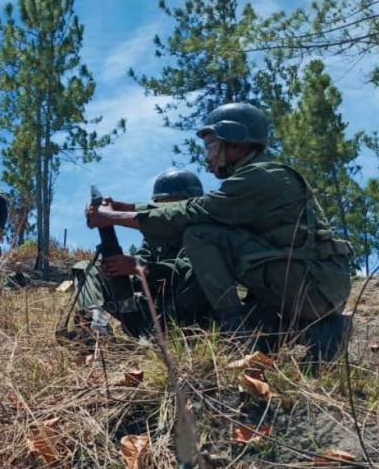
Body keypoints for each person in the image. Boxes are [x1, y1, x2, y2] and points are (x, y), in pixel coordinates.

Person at [86, 103, 353, 360]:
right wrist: (126, 208)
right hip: (306, 284)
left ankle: (237, 329)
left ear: (236, 142)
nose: (208, 155)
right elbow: (193, 207)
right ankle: (326, 331)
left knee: (201, 234)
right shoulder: (258, 176)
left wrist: (115, 216)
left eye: (212, 145)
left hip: (310, 285)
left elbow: (195, 211)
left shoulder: (261, 177)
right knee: (261, 327)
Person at [72, 169, 212, 337]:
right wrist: (114, 272)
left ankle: (161, 335)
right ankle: (95, 325)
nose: (164, 212)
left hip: (188, 319)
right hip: (147, 311)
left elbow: (188, 271)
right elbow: (138, 268)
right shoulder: (154, 236)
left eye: (173, 205)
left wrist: (139, 267)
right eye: (160, 205)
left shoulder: (203, 233)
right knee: (85, 268)